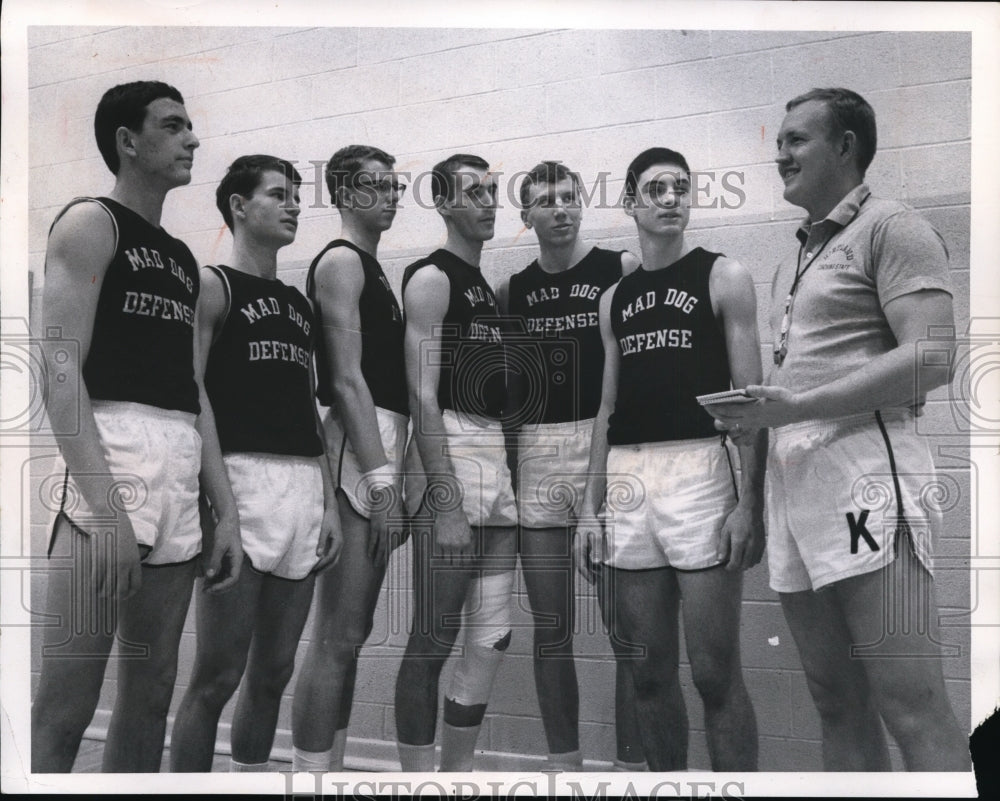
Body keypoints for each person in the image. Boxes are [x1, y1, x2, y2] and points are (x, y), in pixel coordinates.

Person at [707, 87, 970, 771]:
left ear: (846, 146)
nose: (781, 152)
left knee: (911, 703)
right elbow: (794, 390)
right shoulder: (795, 256)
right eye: (780, 141)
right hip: (798, 490)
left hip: (868, 483)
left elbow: (933, 357)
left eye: (797, 139)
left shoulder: (893, 225)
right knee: (834, 700)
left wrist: (795, 405)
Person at [31, 81, 242, 773]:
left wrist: (227, 512)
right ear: (129, 140)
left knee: (151, 695)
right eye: (175, 125)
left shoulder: (183, 257)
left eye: (191, 125)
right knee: (66, 706)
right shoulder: (91, 222)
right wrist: (105, 505)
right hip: (109, 458)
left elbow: (195, 392)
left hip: (177, 465)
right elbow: (60, 372)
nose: (193, 139)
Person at [575, 147, 765, 771]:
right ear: (630, 201)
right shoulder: (615, 298)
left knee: (715, 674)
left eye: (680, 188)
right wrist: (588, 507)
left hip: (700, 474)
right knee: (647, 672)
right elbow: (607, 408)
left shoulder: (723, 275)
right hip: (629, 475)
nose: (670, 199)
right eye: (656, 189)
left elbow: (750, 406)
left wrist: (750, 503)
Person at [170, 155, 342, 772]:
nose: (294, 205)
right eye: (278, 195)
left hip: (300, 487)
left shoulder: (298, 304)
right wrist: (223, 510)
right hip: (239, 481)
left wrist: (328, 505)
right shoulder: (213, 284)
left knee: (273, 673)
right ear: (240, 207)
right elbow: (194, 397)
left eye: (296, 196)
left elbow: (306, 411)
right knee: (217, 676)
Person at [496, 161, 647, 771]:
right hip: (537, 449)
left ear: (582, 203)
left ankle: (633, 768)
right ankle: (566, 766)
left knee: (626, 630)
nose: (560, 208)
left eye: (568, 197)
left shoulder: (622, 269)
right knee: (551, 629)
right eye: (544, 200)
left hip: (604, 447)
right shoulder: (513, 290)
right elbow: (508, 395)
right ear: (526, 214)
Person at [393, 153, 518, 772]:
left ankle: (455, 775)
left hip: (493, 453)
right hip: (453, 455)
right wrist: (443, 499)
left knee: (492, 636)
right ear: (443, 203)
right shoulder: (432, 279)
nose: (489, 201)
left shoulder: (484, 291)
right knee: (432, 638)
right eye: (474, 192)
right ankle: (417, 781)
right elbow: (421, 396)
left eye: (493, 190)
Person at [290, 145, 410, 773]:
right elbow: (344, 381)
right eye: (376, 185)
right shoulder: (341, 262)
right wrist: (382, 482)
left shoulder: (373, 267)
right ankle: (310, 777)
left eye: (395, 185)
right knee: (337, 636)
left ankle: (327, 769)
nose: (391, 195)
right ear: (342, 193)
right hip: (358, 455)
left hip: (382, 442)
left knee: (352, 633)